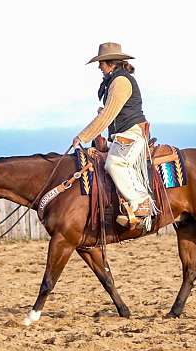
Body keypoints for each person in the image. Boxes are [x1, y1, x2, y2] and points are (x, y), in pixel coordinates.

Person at [72, 42, 156, 228]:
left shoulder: (120, 82)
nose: (99, 67)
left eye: (101, 63)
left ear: (110, 63)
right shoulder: (115, 81)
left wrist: (82, 137)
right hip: (121, 135)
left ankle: (142, 202)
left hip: (131, 134)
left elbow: (108, 115)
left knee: (115, 163)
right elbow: (110, 113)